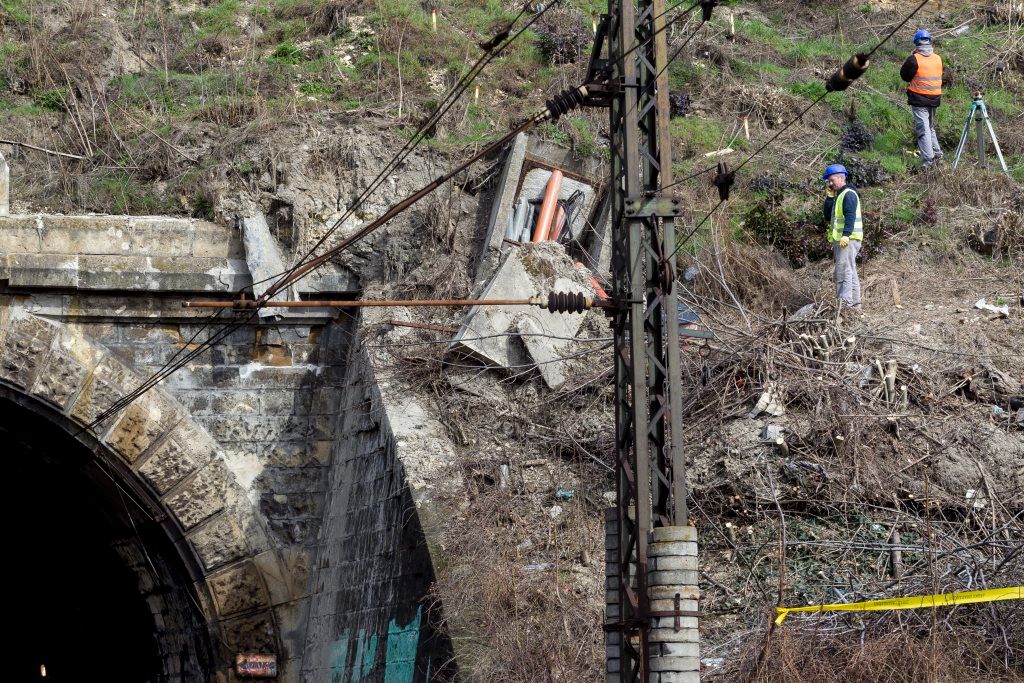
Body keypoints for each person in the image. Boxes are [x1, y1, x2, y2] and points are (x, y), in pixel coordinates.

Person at [901, 29, 944, 169]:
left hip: (919, 99)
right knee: (930, 127)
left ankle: (928, 161)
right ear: (929, 42)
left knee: (923, 130)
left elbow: (905, 76)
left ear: (916, 43)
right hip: (935, 98)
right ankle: (937, 155)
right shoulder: (938, 58)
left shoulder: (914, 59)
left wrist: (912, 57)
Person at [822, 164, 862, 309]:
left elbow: (850, 216)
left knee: (843, 272)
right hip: (844, 239)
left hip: (848, 240)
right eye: (829, 181)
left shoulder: (848, 194)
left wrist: (846, 235)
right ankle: (855, 306)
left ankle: (844, 307)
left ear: (841, 178)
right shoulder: (839, 195)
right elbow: (828, 216)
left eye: (832, 180)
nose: (830, 183)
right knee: (850, 271)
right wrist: (829, 197)